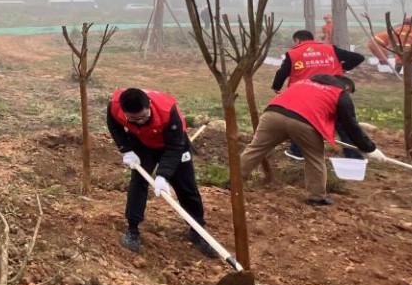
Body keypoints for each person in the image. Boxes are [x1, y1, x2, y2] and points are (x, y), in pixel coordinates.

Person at [239, 74, 386, 206]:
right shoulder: (340, 94)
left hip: (273, 114)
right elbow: (351, 126)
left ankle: (235, 181)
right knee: (314, 158)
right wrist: (369, 148)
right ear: (346, 87)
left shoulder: (305, 82)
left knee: (256, 148)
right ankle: (316, 197)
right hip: (304, 123)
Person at [106, 88, 217, 257]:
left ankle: (197, 230)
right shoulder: (115, 106)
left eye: (143, 117)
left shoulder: (168, 112)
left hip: (172, 145)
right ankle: (133, 230)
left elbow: (175, 147)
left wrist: (163, 175)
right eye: (133, 119)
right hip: (142, 142)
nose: (139, 122)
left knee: (187, 187)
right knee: (138, 183)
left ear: (149, 105)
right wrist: (126, 149)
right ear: (124, 111)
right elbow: (114, 125)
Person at [271, 29, 364, 161]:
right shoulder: (330, 49)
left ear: (297, 40)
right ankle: (354, 156)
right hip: (335, 92)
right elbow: (358, 58)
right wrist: (344, 68)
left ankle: (297, 151)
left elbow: (282, 73)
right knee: (344, 123)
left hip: (307, 94)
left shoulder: (294, 53)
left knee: (306, 120)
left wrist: (276, 87)